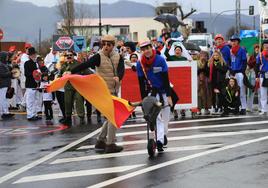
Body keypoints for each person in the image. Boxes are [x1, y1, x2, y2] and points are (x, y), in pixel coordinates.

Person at [71, 35, 125, 153]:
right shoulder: (98, 57)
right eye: (104, 44)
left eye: (109, 44)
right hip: (103, 91)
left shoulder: (118, 57)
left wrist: (118, 76)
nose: (106, 46)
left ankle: (101, 140)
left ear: (113, 46)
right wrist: (70, 71)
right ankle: (110, 143)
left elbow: (122, 69)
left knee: (110, 117)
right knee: (113, 117)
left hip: (114, 91)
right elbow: (85, 64)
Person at [136, 41, 173, 152]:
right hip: (152, 93)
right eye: (143, 49)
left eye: (147, 48)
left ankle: (163, 135)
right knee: (157, 118)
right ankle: (159, 142)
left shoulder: (160, 60)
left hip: (164, 91)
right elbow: (141, 83)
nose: (146, 51)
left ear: (151, 48)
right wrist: (143, 100)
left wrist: (169, 96)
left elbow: (166, 79)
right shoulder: (140, 64)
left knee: (165, 120)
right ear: (141, 51)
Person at [58, 51, 85, 126]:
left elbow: (82, 73)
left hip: (77, 86)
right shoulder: (64, 65)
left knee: (79, 101)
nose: (69, 56)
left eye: (70, 55)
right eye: (67, 55)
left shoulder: (78, 64)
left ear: (73, 56)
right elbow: (59, 75)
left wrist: (72, 74)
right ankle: (68, 117)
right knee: (67, 102)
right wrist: (62, 75)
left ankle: (81, 117)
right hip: (68, 87)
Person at [229, 34, 247, 115]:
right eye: (232, 41)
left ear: (238, 42)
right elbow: (230, 62)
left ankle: (243, 107)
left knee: (241, 90)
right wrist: (231, 70)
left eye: (235, 41)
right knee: (233, 90)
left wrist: (242, 71)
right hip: (233, 73)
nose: (233, 42)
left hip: (239, 73)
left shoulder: (241, 50)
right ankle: (236, 107)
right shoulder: (231, 50)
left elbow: (244, 61)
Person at [24, 47, 42, 121]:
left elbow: (38, 73)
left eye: (34, 54)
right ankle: (30, 115)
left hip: (36, 84)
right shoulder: (27, 63)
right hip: (30, 84)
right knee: (30, 100)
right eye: (33, 54)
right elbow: (27, 74)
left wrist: (38, 75)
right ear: (30, 55)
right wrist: (35, 75)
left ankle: (34, 114)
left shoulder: (36, 63)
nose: (34, 55)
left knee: (35, 100)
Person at [0, 51, 15, 119]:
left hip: (5, 84)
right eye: (6, 56)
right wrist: (10, 73)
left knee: (4, 99)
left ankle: (5, 112)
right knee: (3, 99)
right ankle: (4, 113)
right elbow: (2, 74)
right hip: (2, 84)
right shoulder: (1, 65)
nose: (7, 57)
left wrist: (12, 74)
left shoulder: (4, 64)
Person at [246, 44, 260, 112]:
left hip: (260, 74)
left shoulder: (263, 55)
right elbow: (249, 63)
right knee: (251, 90)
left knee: (260, 92)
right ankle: (249, 107)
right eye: (256, 48)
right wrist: (255, 60)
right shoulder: (252, 56)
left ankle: (261, 107)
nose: (257, 49)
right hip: (253, 73)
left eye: (258, 48)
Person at [256, 40, 268, 115]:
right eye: (265, 45)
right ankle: (264, 109)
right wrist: (257, 76)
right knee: (263, 93)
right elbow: (257, 66)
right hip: (263, 76)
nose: (266, 46)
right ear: (263, 46)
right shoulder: (260, 55)